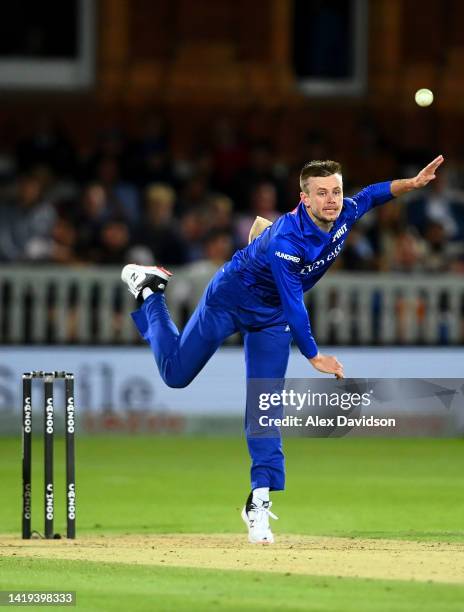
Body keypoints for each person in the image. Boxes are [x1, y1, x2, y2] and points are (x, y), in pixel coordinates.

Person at [120, 155, 445, 544]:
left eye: (336, 191)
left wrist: (408, 184)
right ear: (304, 198)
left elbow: (372, 195)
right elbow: (295, 303)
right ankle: (151, 292)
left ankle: (258, 501)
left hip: (270, 319)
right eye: (322, 193)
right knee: (175, 375)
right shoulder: (287, 239)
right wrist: (313, 354)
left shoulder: (344, 212)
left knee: (265, 405)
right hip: (230, 300)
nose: (332, 200)